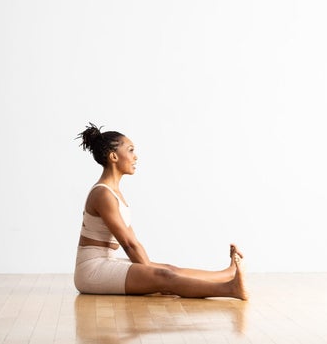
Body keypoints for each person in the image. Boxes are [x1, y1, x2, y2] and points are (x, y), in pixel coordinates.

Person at [74, 123, 248, 300]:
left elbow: (133, 240)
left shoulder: (113, 193)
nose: (136, 157)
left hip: (105, 263)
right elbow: (128, 244)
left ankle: (228, 274)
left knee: (168, 269)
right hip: (92, 271)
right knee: (164, 277)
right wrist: (152, 273)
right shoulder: (103, 194)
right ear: (114, 156)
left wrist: (151, 269)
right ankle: (230, 289)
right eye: (131, 150)